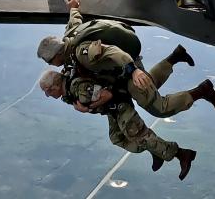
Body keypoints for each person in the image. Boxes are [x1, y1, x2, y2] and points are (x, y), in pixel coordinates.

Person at [37, 0, 215, 116]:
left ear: (57, 55)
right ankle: (176, 56)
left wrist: (133, 71)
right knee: (146, 84)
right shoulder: (70, 37)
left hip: (126, 64)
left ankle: (202, 91)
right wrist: (74, 7)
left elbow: (113, 53)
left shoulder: (81, 53)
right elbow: (74, 21)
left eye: (51, 61)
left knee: (158, 108)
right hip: (127, 59)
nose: (52, 65)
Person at [39, 70, 197, 180]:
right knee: (117, 137)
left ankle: (181, 154)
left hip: (119, 106)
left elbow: (107, 95)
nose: (47, 95)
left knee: (141, 137)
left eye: (47, 91)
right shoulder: (68, 86)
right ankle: (157, 151)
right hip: (112, 111)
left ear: (54, 86)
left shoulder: (77, 87)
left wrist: (85, 108)